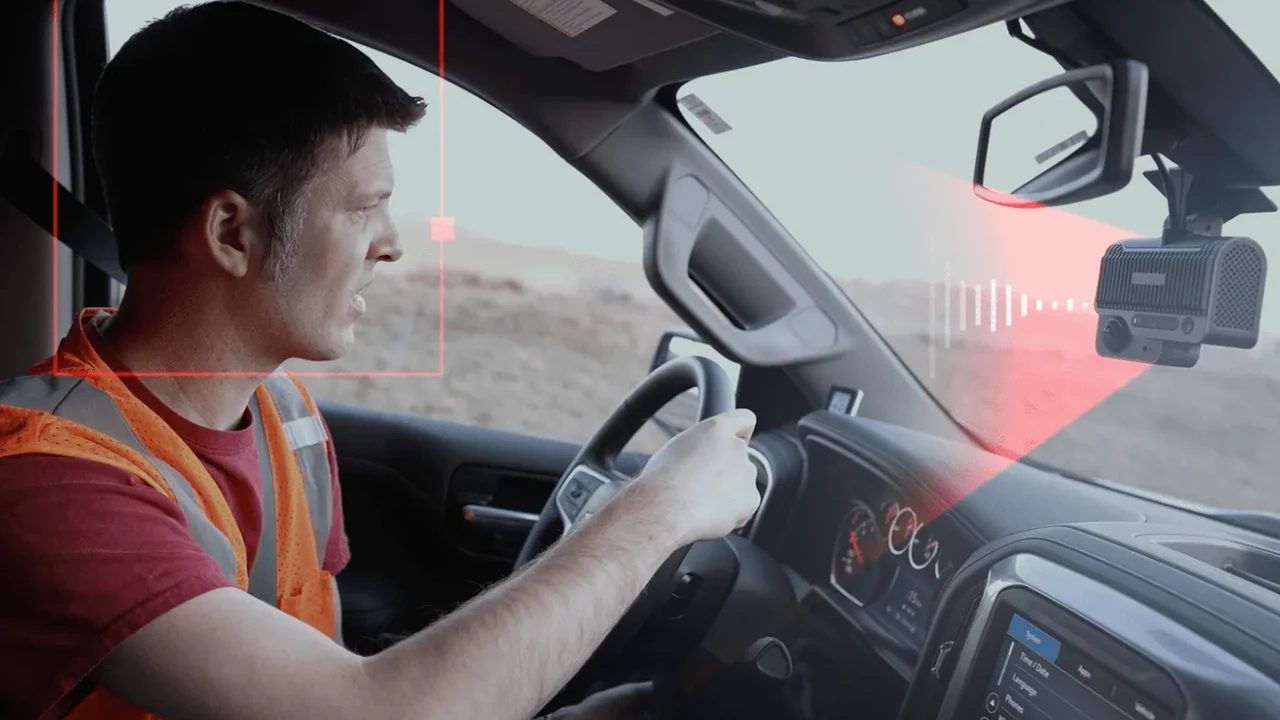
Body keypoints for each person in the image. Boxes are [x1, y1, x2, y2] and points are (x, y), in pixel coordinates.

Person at [0, 3, 762, 720]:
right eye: (364, 207)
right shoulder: (48, 479)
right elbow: (371, 710)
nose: (391, 243)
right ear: (233, 233)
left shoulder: (282, 414)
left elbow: (319, 657)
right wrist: (657, 511)